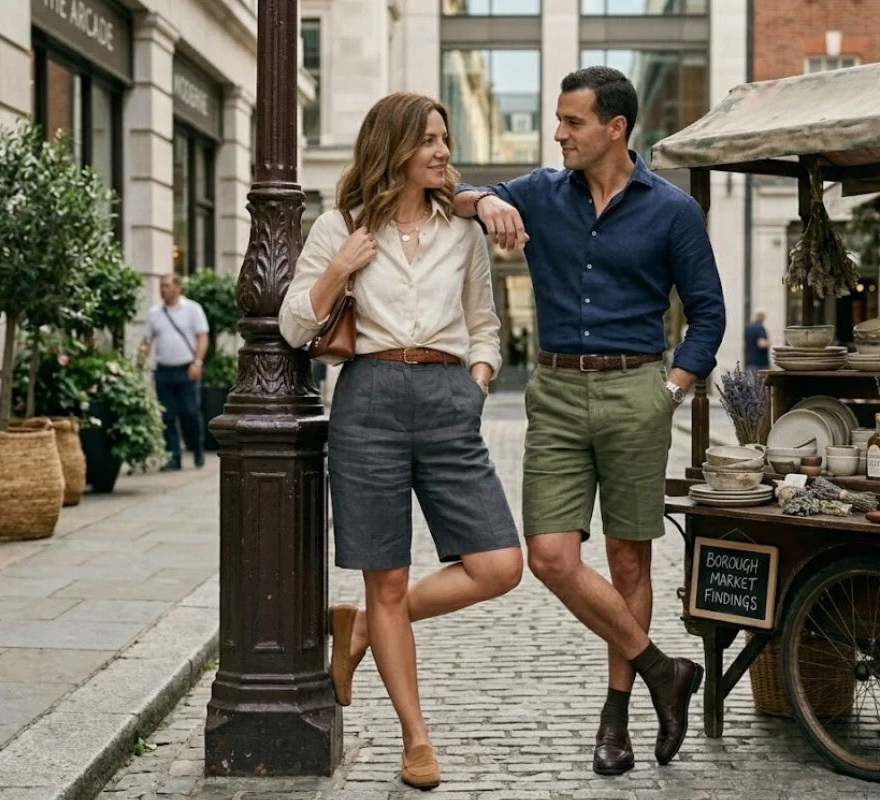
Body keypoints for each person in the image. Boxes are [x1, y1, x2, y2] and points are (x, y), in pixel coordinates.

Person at [454, 66, 726, 775]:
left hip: (636, 390)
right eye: (558, 120)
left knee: (628, 559)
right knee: (549, 556)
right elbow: (450, 194)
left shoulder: (673, 211)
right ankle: (665, 670)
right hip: (554, 392)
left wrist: (668, 390)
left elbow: (709, 313)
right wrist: (484, 202)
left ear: (616, 128)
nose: (558, 134)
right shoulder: (542, 193)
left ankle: (617, 718)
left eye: (572, 122)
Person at [278, 92, 523, 791]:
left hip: (447, 397)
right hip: (371, 400)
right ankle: (416, 740)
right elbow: (295, 327)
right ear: (395, 148)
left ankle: (358, 632)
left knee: (500, 564)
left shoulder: (461, 231)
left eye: (445, 139)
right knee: (384, 577)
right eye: (430, 141)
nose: (444, 152)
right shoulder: (340, 226)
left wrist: (475, 384)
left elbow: (485, 324)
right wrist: (336, 269)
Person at [138, 274, 209, 471]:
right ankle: (174, 456)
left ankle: (197, 449)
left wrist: (197, 362)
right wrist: (140, 362)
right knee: (167, 416)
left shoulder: (192, 309)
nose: (163, 290)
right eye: (161, 286)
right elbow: (147, 341)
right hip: (163, 370)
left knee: (190, 413)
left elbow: (202, 337)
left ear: (178, 288)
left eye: (167, 286)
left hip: (187, 369)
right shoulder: (154, 313)